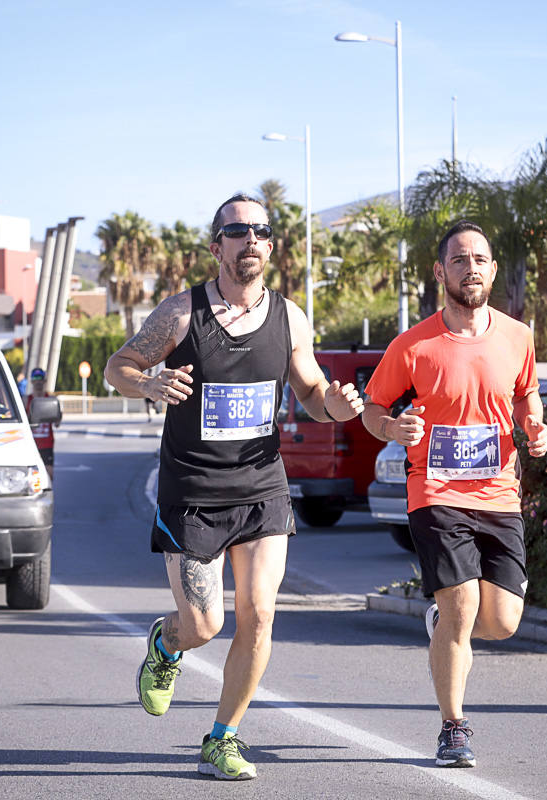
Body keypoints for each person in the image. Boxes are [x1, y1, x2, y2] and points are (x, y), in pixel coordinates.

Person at [103, 193, 364, 781]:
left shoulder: (290, 317)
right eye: (238, 230)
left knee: (260, 614)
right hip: (193, 490)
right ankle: (167, 645)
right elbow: (118, 365)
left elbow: (313, 392)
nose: (251, 239)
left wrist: (339, 405)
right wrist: (148, 383)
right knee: (204, 625)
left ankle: (223, 737)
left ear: (270, 246)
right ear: (216, 245)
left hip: (262, 487)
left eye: (262, 231)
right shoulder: (179, 313)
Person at [360, 220, 547, 769]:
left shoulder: (518, 335)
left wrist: (534, 428)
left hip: (499, 495)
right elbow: (374, 409)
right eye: (459, 259)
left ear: (493, 271)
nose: (471, 268)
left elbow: (525, 396)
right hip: (436, 491)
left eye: (480, 259)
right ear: (440, 272)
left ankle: (441, 625)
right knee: (463, 604)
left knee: (501, 622)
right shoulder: (413, 344)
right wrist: (393, 430)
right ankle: (453, 728)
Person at [25, 367, 55, 478]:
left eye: (40, 378)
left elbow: (57, 422)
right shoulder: (25, 400)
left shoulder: (51, 400)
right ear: (32, 381)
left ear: (44, 380)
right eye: (35, 378)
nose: (38, 381)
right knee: (30, 477)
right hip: (31, 444)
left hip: (47, 444)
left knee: (49, 475)